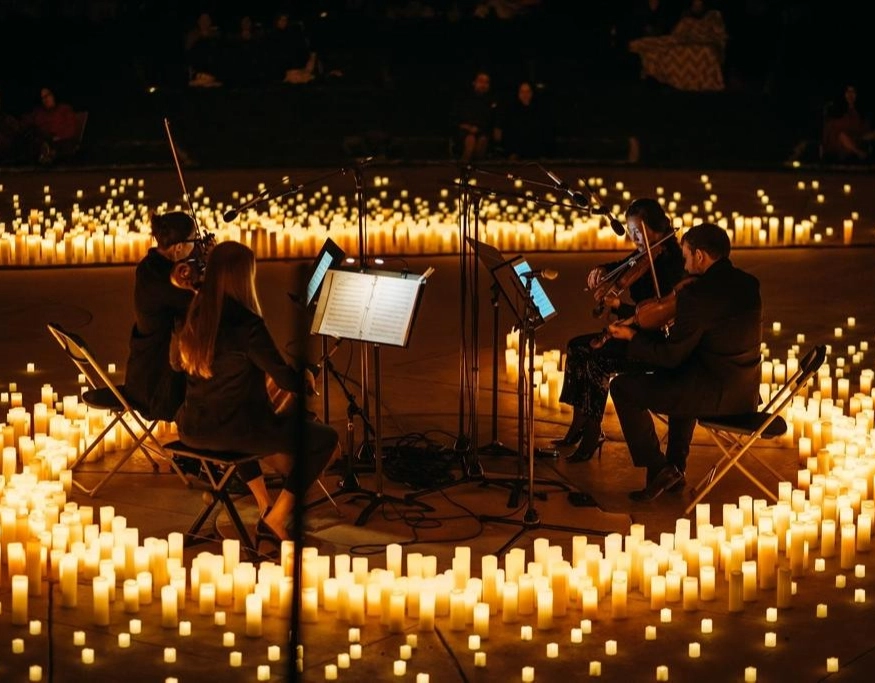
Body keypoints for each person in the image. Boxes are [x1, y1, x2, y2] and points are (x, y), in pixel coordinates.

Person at [174, 241, 339, 542]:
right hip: (234, 433)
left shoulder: (197, 312)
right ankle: (277, 517)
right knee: (324, 439)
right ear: (243, 277)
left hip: (192, 428)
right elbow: (287, 381)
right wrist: (304, 375)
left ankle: (265, 503)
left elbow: (179, 364)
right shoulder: (248, 324)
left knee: (236, 413)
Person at [607, 222, 762, 501]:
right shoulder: (749, 284)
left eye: (687, 255)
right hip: (745, 392)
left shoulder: (697, 295)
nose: (685, 262)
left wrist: (632, 336)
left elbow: (669, 356)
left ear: (700, 255)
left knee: (622, 388)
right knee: (684, 379)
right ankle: (675, 468)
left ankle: (661, 467)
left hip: (716, 397)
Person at [555, 198, 686, 463]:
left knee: (597, 361)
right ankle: (579, 424)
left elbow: (654, 317)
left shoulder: (671, 262)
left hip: (653, 342)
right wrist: (602, 270)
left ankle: (592, 434)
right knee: (577, 347)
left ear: (657, 228)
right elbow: (623, 265)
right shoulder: (645, 253)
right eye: (631, 231)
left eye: (638, 231)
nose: (633, 237)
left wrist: (619, 307)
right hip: (635, 332)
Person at [124, 211, 198, 424]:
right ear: (178, 248)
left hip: (140, 373)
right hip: (157, 387)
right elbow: (198, 300)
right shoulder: (167, 281)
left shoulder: (150, 265)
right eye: (193, 241)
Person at [21, 87, 79, 164]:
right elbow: (26, 123)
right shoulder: (39, 112)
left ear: (53, 95)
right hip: (42, 139)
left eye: (47, 96)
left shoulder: (64, 109)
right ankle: (45, 153)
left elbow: (71, 129)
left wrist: (58, 137)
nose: (45, 100)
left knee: (61, 144)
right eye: (42, 98)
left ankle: (48, 153)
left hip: (60, 140)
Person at [497, 81, 552, 160]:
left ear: (532, 93)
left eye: (527, 92)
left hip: (536, 151)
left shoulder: (540, 111)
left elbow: (544, 132)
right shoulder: (511, 111)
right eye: (522, 92)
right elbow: (508, 133)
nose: (525, 95)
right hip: (516, 152)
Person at [821, 84, 875, 163]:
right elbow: (833, 131)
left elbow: (863, 130)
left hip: (857, 138)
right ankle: (859, 153)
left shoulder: (860, 112)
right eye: (848, 92)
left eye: (853, 92)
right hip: (839, 143)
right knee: (842, 136)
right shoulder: (836, 111)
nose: (850, 94)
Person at [454, 70, 499, 162]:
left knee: (482, 142)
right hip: (464, 133)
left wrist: (480, 129)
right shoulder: (464, 99)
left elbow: (492, 122)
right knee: (470, 141)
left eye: (486, 82)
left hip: (484, 133)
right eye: (481, 81)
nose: (483, 85)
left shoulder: (492, 102)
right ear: (474, 83)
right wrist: (469, 128)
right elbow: (456, 119)